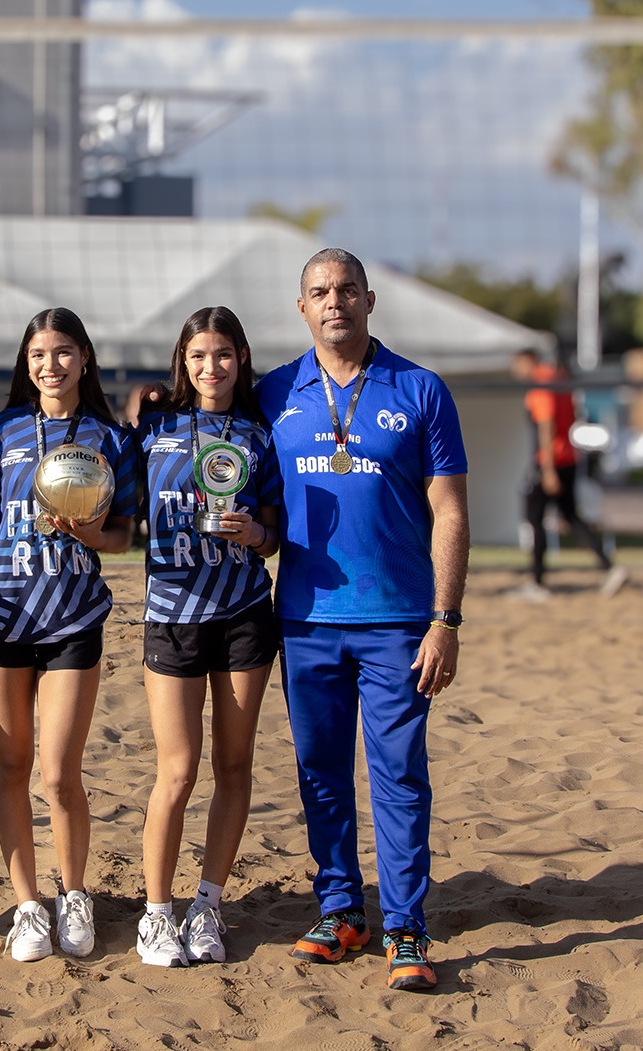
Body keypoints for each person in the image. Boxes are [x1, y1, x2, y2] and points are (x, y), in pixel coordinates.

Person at [255, 248, 469, 992]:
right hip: (305, 618)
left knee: (399, 774)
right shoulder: (272, 392)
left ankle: (405, 924)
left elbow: (450, 510)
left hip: (400, 621)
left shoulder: (419, 388)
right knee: (320, 772)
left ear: (370, 300)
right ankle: (341, 908)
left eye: (347, 289)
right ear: (302, 307)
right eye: (319, 291)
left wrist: (446, 619)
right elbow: (219, 456)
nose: (334, 301)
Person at [0, 307, 137, 962]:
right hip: (3, 611)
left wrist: (93, 535)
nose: (51, 364)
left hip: (71, 616)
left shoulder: (106, 436)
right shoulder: (0, 430)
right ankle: (29, 903)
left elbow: (122, 535)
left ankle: (75, 892)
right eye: (38, 354)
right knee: (11, 763)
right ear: (25, 363)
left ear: (83, 358)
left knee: (59, 773)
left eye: (63, 352)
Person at [134, 306, 280, 968]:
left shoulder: (257, 434)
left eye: (222, 353)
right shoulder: (152, 426)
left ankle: (207, 905)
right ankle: (156, 911)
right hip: (172, 612)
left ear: (241, 358)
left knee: (234, 765)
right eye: (198, 355)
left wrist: (254, 534)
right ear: (182, 361)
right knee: (176, 769)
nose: (210, 366)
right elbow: (113, 501)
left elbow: (275, 528)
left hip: (245, 611)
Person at [510, 348, 626, 598]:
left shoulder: (542, 385)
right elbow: (572, 417)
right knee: (572, 517)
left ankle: (537, 582)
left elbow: (547, 425)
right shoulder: (562, 381)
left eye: (517, 364)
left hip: (550, 461)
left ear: (529, 361)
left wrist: (547, 469)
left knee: (534, 517)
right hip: (569, 458)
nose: (515, 370)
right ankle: (609, 567)